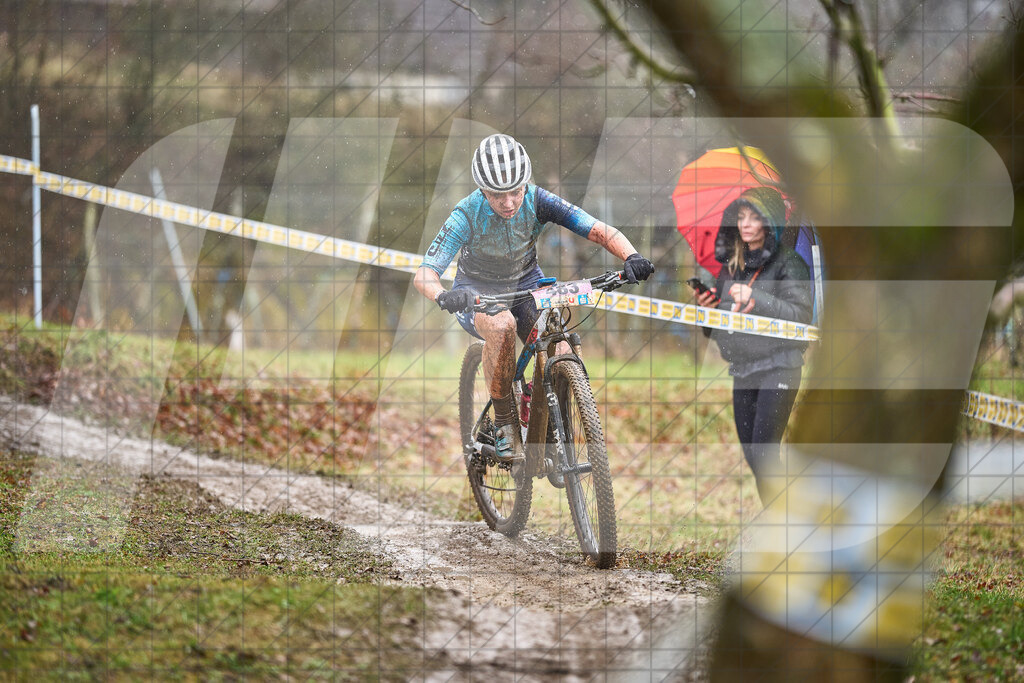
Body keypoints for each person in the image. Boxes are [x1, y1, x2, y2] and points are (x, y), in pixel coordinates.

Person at [414, 133, 654, 463]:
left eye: (516, 190)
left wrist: (631, 256)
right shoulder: (466, 214)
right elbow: (425, 272)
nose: (510, 202)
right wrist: (443, 295)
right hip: (478, 293)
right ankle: (504, 424)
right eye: (499, 195)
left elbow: (596, 229)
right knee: (502, 327)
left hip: (527, 283)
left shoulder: (539, 200)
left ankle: (551, 419)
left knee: (562, 346)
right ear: (483, 191)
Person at [692, 186, 812, 504]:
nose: (745, 224)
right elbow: (718, 330)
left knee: (764, 455)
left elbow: (801, 318)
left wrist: (756, 298)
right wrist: (708, 312)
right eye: (741, 216)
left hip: (780, 366)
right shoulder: (731, 268)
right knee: (755, 458)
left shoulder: (791, 264)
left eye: (754, 217)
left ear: (769, 221)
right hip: (743, 370)